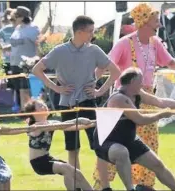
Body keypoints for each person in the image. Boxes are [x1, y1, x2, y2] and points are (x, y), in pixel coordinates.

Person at [94, 3, 175, 190]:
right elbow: (105, 64)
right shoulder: (124, 43)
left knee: (149, 143)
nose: (159, 25)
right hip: (123, 101)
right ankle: (102, 184)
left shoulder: (156, 43)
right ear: (144, 22)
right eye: (156, 21)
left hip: (146, 96)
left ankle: (145, 184)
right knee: (113, 144)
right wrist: (92, 82)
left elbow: (170, 61)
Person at [32, 15, 121, 170]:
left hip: (88, 103)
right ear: (79, 32)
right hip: (67, 105)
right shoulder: (59, 51)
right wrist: (57, 88)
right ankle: (76, 185)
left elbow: (115, 71)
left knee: (100, 146)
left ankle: (103, 185)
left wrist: (99, 91)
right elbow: (36, 69)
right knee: (73, 149)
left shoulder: (94, 50)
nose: (93, 35)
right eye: (90, 31)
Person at [93, 68, 175, 191]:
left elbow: (160, 102)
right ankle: (130, 189)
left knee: (157, 165)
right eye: (140, 81)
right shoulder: (119, 99)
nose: (142, 84)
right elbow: (140, 120)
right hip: (107, 141)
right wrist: (161, 115)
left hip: (128, 140)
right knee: (121, 152)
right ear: (132, 81)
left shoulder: (137, 94)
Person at [22, 99, 95, 191]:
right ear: (33, 112)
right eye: (40, 106)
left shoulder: (51, 123)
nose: (44, 106)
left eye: (44, 104)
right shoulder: (36, 126)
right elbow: (62, 125)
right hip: (38, 163)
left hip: (47, 158)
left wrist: (92, 124)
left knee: (76, 173)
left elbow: (72, 127)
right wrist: (78, 120)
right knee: (66, 169)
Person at [9, 6, 40, 108]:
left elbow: (37, 43)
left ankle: (26, 110)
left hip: (26, 63)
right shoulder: (18, 28)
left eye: (16, 16)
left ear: (21, 18)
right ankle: (22, 109)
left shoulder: (33, 28)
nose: (14, 19)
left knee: (24, 88)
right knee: (18, 88)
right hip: (14, 62)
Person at [0, 8, 16, 83]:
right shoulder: (8, 28)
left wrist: (1, 47)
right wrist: (1, 47)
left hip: (8, 57)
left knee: (10, 81)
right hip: (12, 58)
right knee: (15, 81)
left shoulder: (6, 28)